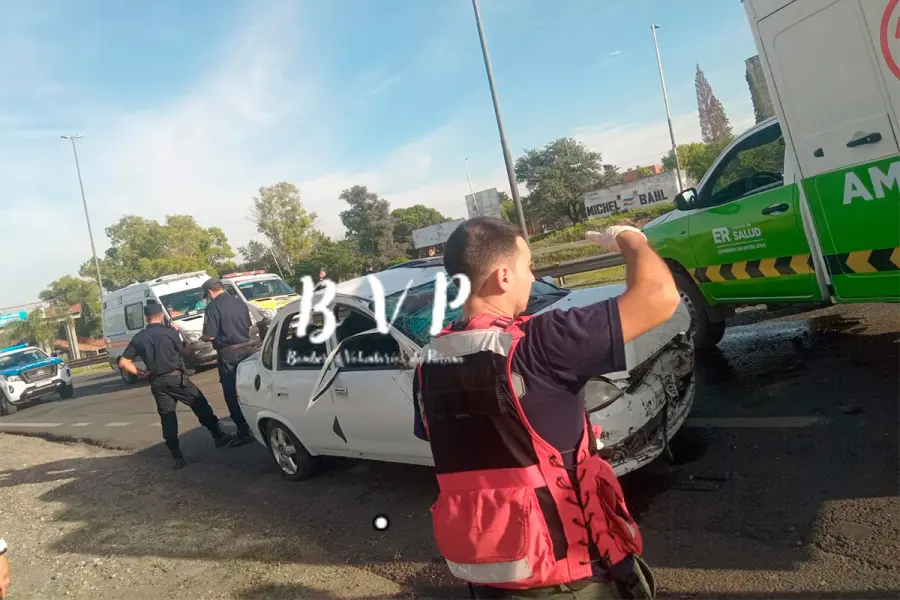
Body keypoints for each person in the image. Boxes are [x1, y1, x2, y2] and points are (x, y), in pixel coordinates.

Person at [412, 217, 680, 599]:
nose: (532, 277)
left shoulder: (430, 363)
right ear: (504, 276)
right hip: (570, 580)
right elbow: (658, 297)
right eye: (528, 266)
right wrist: (630, 241)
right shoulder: (541, 344)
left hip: (489, 579)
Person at [118, 304, 234, 469]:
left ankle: (176, 455)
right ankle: (218, 436)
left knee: (167, 417)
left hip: (157, 382)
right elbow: (186, 351)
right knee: (200, 404)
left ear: (146, 317)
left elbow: (124, 362)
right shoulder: (169, 332)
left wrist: (141, 373)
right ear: (161, 315)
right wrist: (178, 332)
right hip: (176, 379)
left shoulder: (139, 338)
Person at [200, 278, 256, 447]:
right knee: (251, 387)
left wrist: (202, 337)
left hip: (229, 353)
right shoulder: (239, 302)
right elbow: (249, 324)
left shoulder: (213, 307)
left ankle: (244, 430)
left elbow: (210, 335)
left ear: (210, 292)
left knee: (231, 393)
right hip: (248, 348)